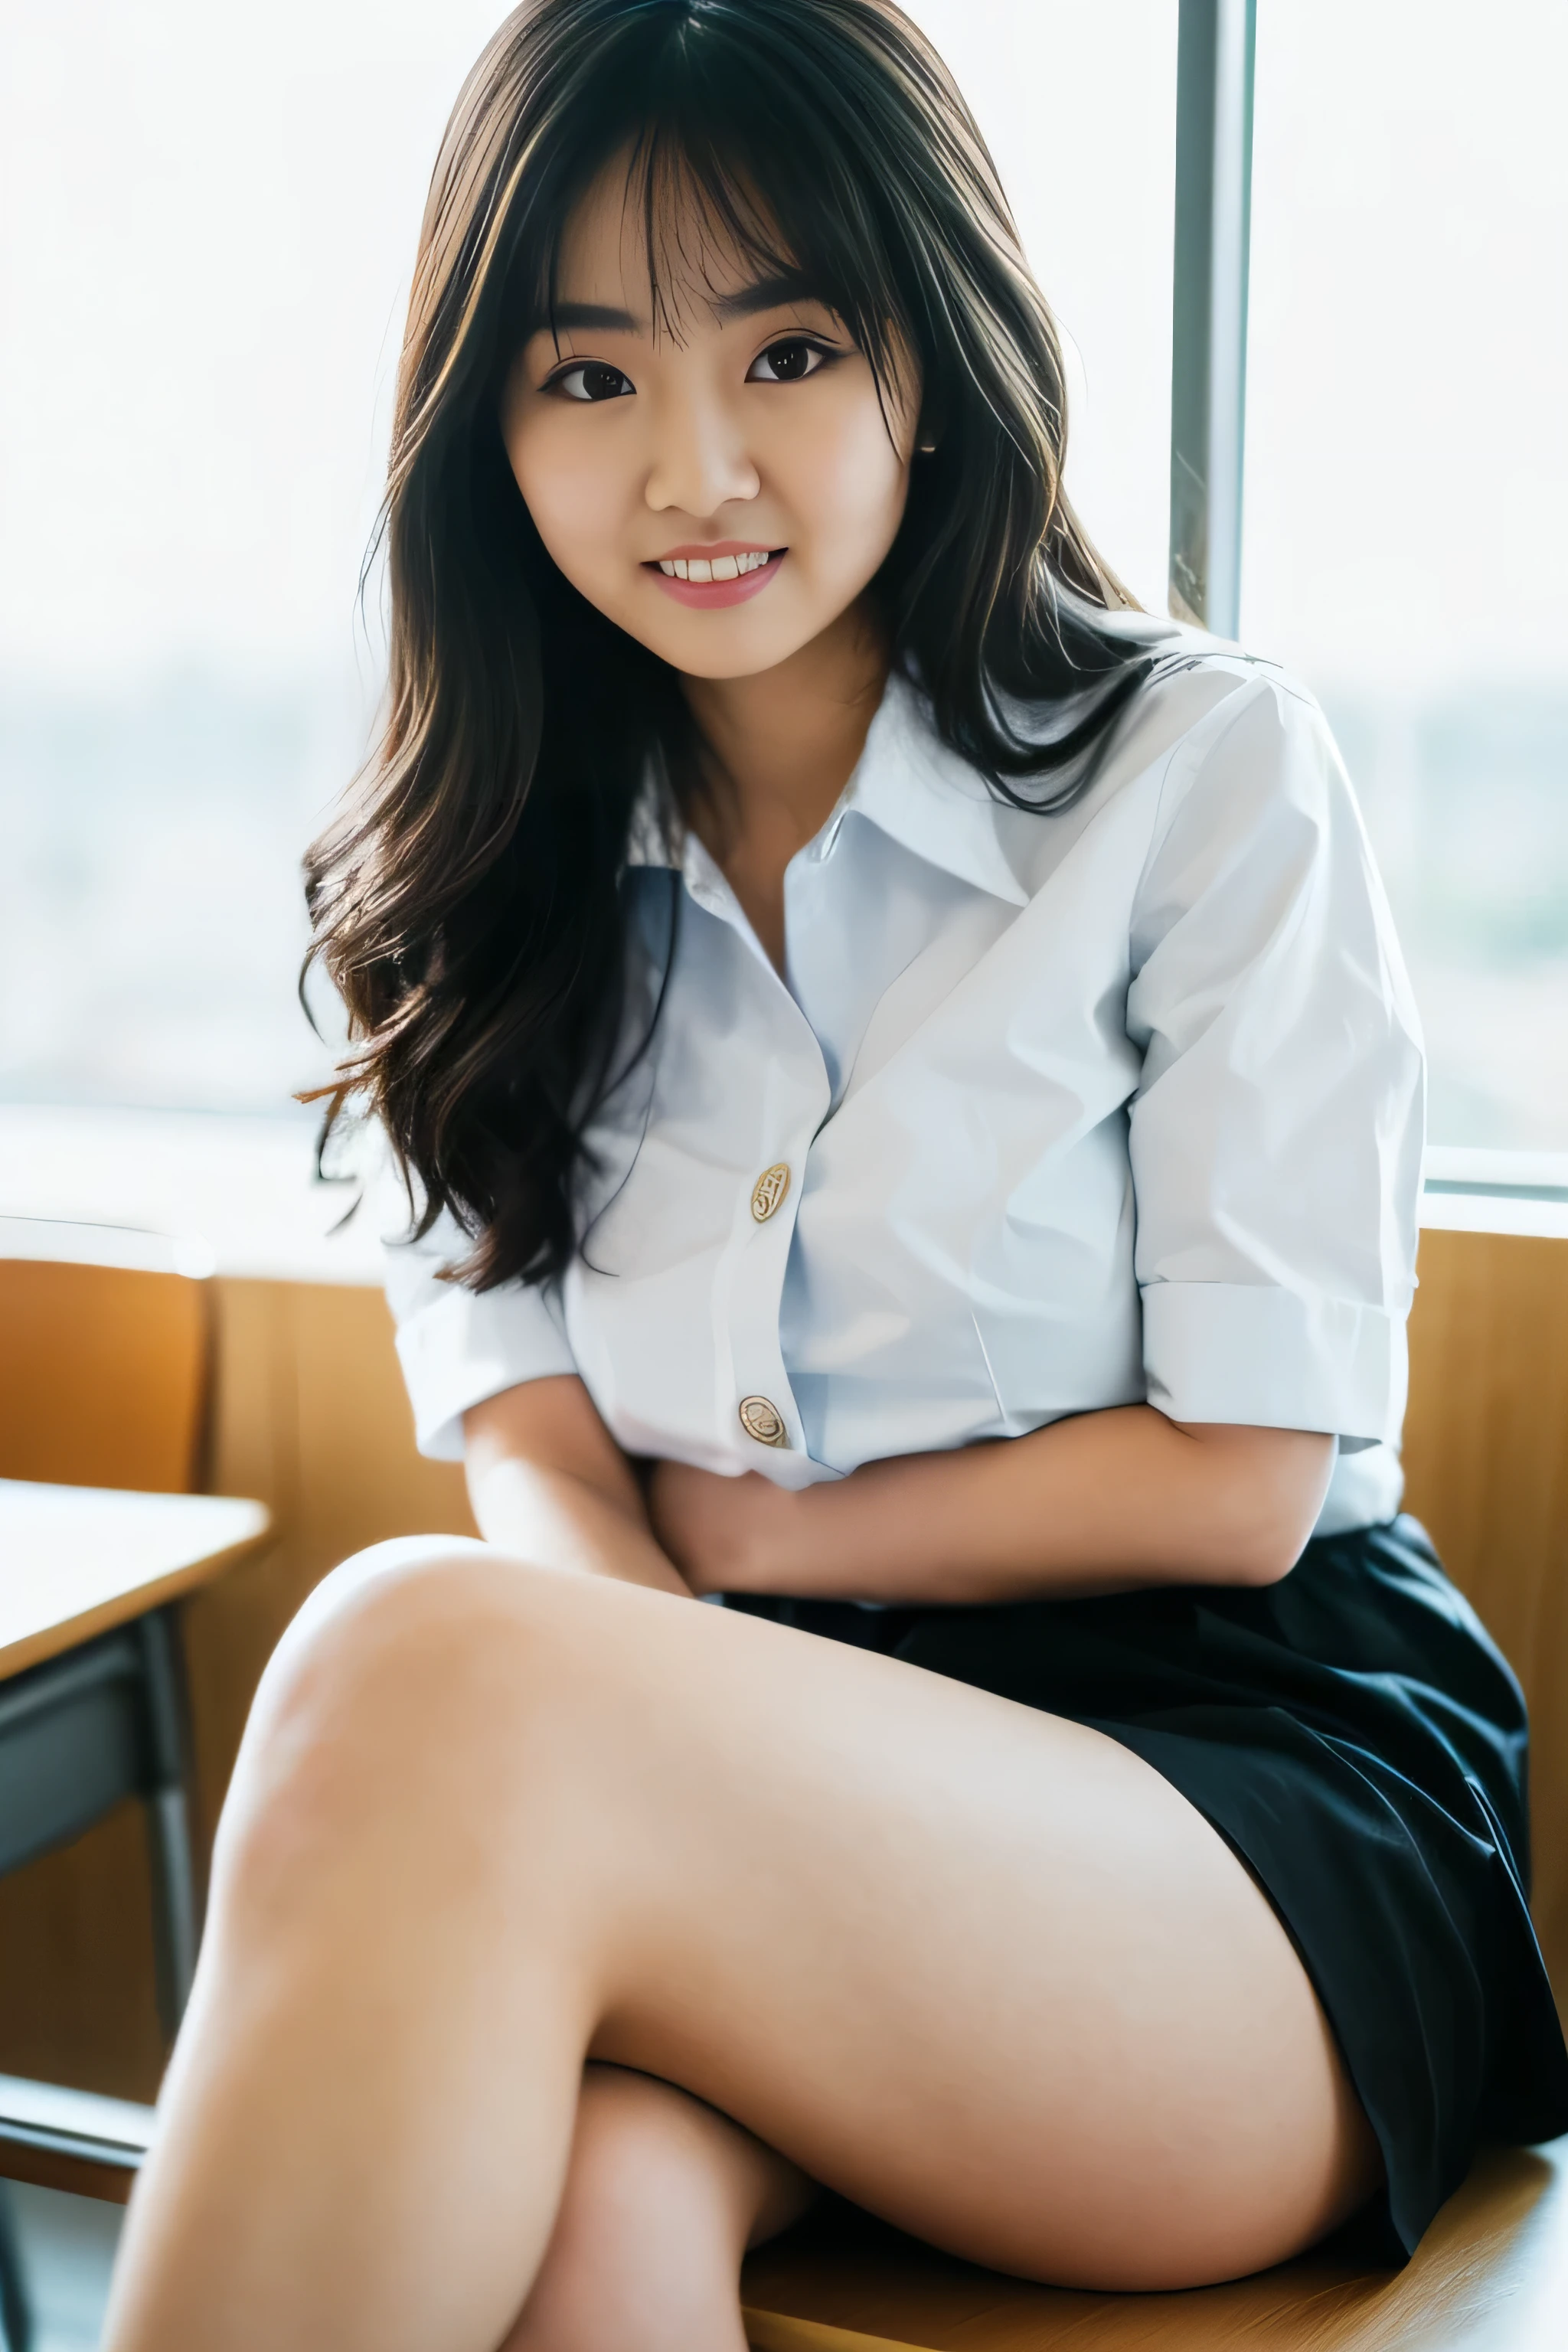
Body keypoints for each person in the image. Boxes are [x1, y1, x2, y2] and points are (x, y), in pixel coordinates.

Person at [101, 2, 1568, 2345]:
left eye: (785, 348)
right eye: (588, 378)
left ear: (933, 343)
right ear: (484, 428)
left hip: (1235, 1817)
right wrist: (672, 1648)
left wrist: (779, 1548)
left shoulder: (1199, 779)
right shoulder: (471, 879)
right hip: (740, 1794)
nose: (694, 467)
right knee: (595, 2211)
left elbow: (1240, 1480)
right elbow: (538, 1449)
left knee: (412, 1658)